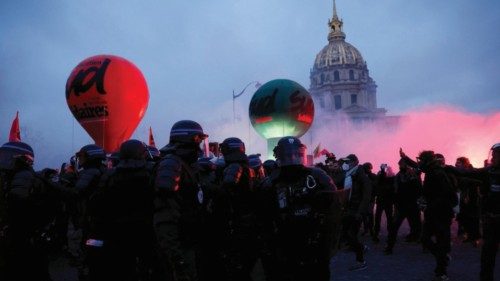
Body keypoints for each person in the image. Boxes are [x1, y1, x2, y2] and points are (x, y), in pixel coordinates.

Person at [259, 136, 342, 281]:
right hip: (285, 246)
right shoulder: (271, 182)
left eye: (296, 155)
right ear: (279, 156)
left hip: (314, 244)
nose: (292, 158)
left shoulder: (317, 176)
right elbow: (263, 218)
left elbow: (334, 206)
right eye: (288, 155)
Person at [85, 139, 157, 281]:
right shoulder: (151, 171)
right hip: (147, 230)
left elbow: (96, 204)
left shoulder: (110, 175)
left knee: (122, 268)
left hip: (116, 232)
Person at [154, 120, 208, 281]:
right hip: (178, 248)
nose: (200, 144)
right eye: (198, 139)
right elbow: (165, 218)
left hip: (188, 243)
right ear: (189, 139)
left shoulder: (186, 165)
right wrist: (177, 259)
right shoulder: (172, 165)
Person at [0, 141, 59, 281]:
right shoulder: (13, 177)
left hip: (24, 239)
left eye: (7, 156)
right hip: (25, 238)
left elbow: (18, 207)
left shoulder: (25, 178)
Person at [447, 144, 500, 281]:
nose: (492, 157)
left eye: (495, 155)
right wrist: (445, 167)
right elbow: (467, 173)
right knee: (488, 255)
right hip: (491, 220)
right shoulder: (489, 172)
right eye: (492, 154)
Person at [407, 151, 456, 281]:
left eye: (421, 160)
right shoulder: (430, 172)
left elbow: (447, 194)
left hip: (441, 214)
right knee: (425, 239)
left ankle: (441, 271)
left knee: (441, 242)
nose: (419, 163)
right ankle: (442, 258)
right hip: (432, 213)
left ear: (427, 161)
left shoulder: (438, 174)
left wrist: (430, 204)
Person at [340, 154, 372, 271]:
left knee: (351, 234)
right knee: (345, 234)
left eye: (348, 161)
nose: (345, 164)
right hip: (349, 209)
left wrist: (360, 212)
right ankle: (361, 247)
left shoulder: (361, 176)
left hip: (357, 211)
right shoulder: (350, 175)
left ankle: (361, 261)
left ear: (354, 162)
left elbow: (366, 196)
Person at [384, 158, 422, 254]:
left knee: (417, 227)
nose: (400, 166)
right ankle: (389, 247)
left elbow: (418, 189)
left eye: (401, 164)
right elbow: (395, 190)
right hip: (401, 206)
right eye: (399, 164)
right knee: (394, 227)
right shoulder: (398, 176)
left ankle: (425, 245)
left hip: (412, 205)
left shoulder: (414, 175)